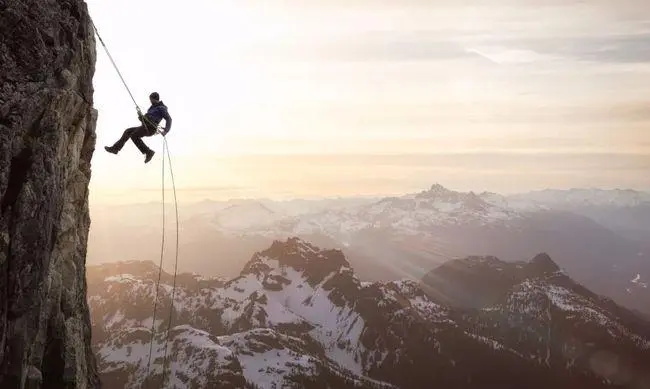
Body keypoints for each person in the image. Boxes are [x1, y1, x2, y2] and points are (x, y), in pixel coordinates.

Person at [104, 92, 172, 163]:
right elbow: (145, 120)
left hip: (150, 128)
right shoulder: (152, 108)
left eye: (151, 99)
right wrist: (141, 116)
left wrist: (166, 130)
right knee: (128, 131)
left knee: (134, 136)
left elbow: (169, 119)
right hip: (145, 126)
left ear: (154, 99)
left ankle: (148, 152)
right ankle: (115, 149)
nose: (150, 101)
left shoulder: (161, 108)